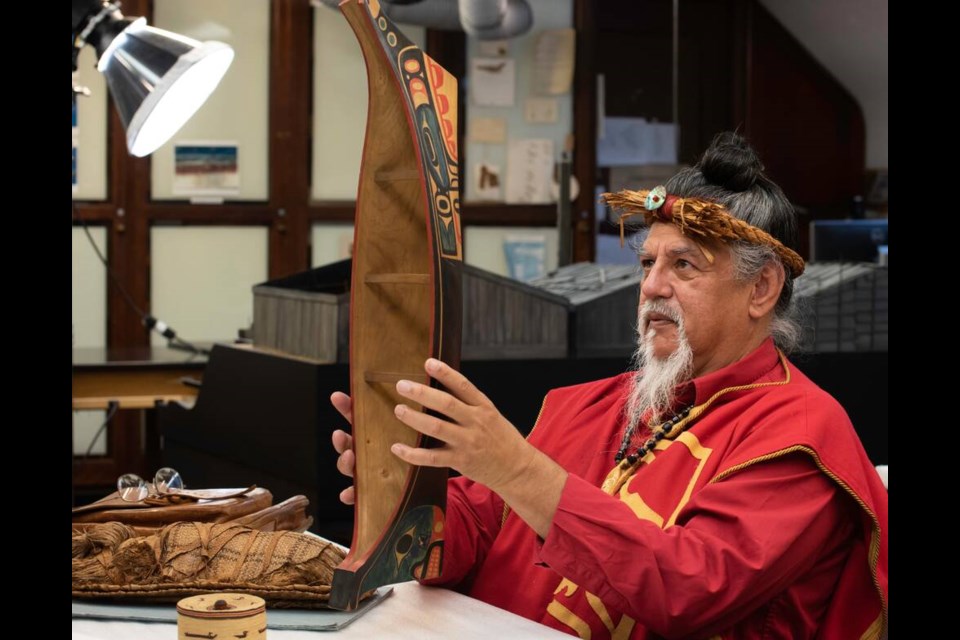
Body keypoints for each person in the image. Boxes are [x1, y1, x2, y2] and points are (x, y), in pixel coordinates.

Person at [331, 132, 888, 639]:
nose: (651, 286)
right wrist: (402, 492)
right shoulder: (589, 404)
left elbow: (691, 587)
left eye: (684, 266)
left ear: (762, 288)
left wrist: (515, 467)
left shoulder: (801, 432)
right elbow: (480, 525)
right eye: (647, 262)